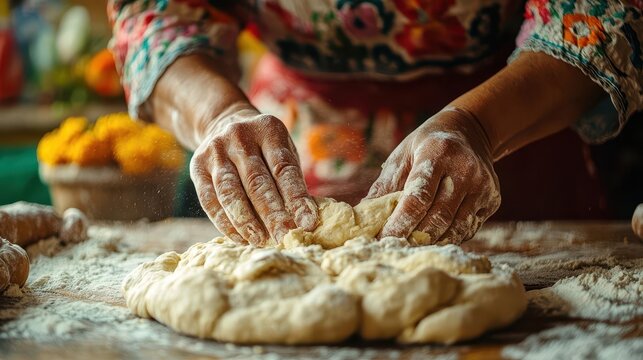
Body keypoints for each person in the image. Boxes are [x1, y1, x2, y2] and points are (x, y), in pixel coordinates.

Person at [107, 1, 642, 246]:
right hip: (291, 142)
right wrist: (219, 112)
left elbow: (600, 13)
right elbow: (159, 16)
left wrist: (476, 128)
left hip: (506, 123)